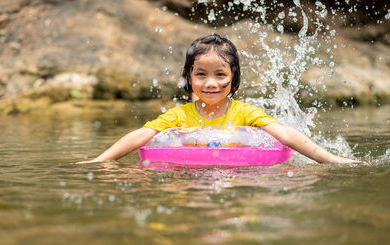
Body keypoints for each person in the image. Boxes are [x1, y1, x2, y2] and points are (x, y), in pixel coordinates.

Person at [77, 34, 363, 165]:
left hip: (240, 174)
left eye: (220, 75)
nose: (210, 83)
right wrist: (101, 161)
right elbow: (142, 134)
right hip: (193, 174)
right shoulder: (180, 116)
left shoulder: (246, 113)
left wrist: (330, 159)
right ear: (189, 78)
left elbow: (286, 134)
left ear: (233, 78)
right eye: (200, 74)